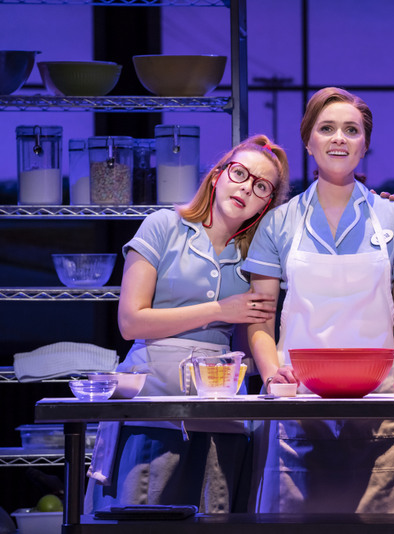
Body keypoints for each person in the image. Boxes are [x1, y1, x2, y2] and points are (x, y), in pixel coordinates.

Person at [242, 87, 394, 513]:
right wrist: (272, 376)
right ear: (308, 142)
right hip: (298, 399)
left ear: (365, 144)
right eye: (326, 129)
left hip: (380, 399)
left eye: (352, 130)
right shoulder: (278, 222)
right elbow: (260, 318)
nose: (339, 138)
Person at [85, 134, 290, 514]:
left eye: (262, 186)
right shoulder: (164, 225)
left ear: (267, 204)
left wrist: (271, 372)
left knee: (215, 517)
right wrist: (218, 310)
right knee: (141, 517)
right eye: (240, 173)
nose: (247, 187)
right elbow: (130, 322)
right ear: (217, 175)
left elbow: (254, 335)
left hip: (221, 409)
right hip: (153, 405)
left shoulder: (256, 255)